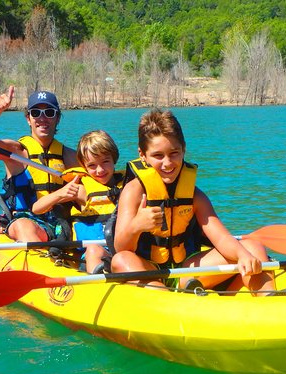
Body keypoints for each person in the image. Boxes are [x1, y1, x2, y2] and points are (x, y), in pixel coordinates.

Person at [110, 108, 277, 296]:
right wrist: (136, 225)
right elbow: (121, 248)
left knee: (252, 247)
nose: (167, 163)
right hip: (149, 270)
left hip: (187, 271)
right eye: (158, 155)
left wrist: (243, 256)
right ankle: (164, 298)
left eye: (174, 153)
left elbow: (221, 238)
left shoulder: (195, 195)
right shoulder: (133, 192)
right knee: (121, 260)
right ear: (142, 155)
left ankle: (268, 299)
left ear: (184, 150)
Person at [0, 86, 79, 242]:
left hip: (60, 222)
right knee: (23, 225)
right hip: (27, 219)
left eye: (49, 113)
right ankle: (38, 261)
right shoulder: (16, 152)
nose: (42, 118)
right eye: (36, 113)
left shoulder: (70, 156)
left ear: (57, 118)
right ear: (28, 119)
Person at [32, 130, 123, 274]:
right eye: (92, 165)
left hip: (121, 253)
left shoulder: (128, 186)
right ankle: (96, 287)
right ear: (84, 166)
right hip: (90, 256)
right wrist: (60, 194)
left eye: (105, 161)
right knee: (94, 250)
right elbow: (37, 209)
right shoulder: (82, 190)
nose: (100, 170)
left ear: (114, 159)